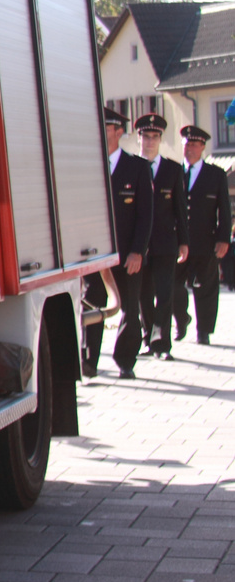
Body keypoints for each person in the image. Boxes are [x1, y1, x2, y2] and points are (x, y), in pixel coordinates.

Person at [84, 107, 152, 379]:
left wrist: (138, 251)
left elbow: (145, 215)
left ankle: (125, 359)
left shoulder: (137, 167)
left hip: (127, 255)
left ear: (119, 132)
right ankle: (89, 361)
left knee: (129, 308)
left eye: (106, 127)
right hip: (95, 255)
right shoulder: (90, 164)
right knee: (93, 305)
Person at [134, 113, 188, 359]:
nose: (150, 141)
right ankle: (148, 338)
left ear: (160, 140)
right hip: (139, 245)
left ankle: (162, 343)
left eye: (155, 137)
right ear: (139, 138)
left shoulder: (173, 170)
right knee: (144, 295)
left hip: (166, 243)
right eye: (146, 136)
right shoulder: (131, 167)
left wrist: (184, 242)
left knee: (165, 293)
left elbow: (180, 209)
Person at [174, 124, 230, 345]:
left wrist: (223, 238)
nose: (190, 149)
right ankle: (181, 320)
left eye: (194, 145)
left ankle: (203, 330)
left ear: (203, 147)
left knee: (205, 287)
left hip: (205, 241)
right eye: (187, 144)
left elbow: (224, 209)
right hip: (177, 242)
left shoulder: (215, 174)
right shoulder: (174, 172)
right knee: (173, 286)